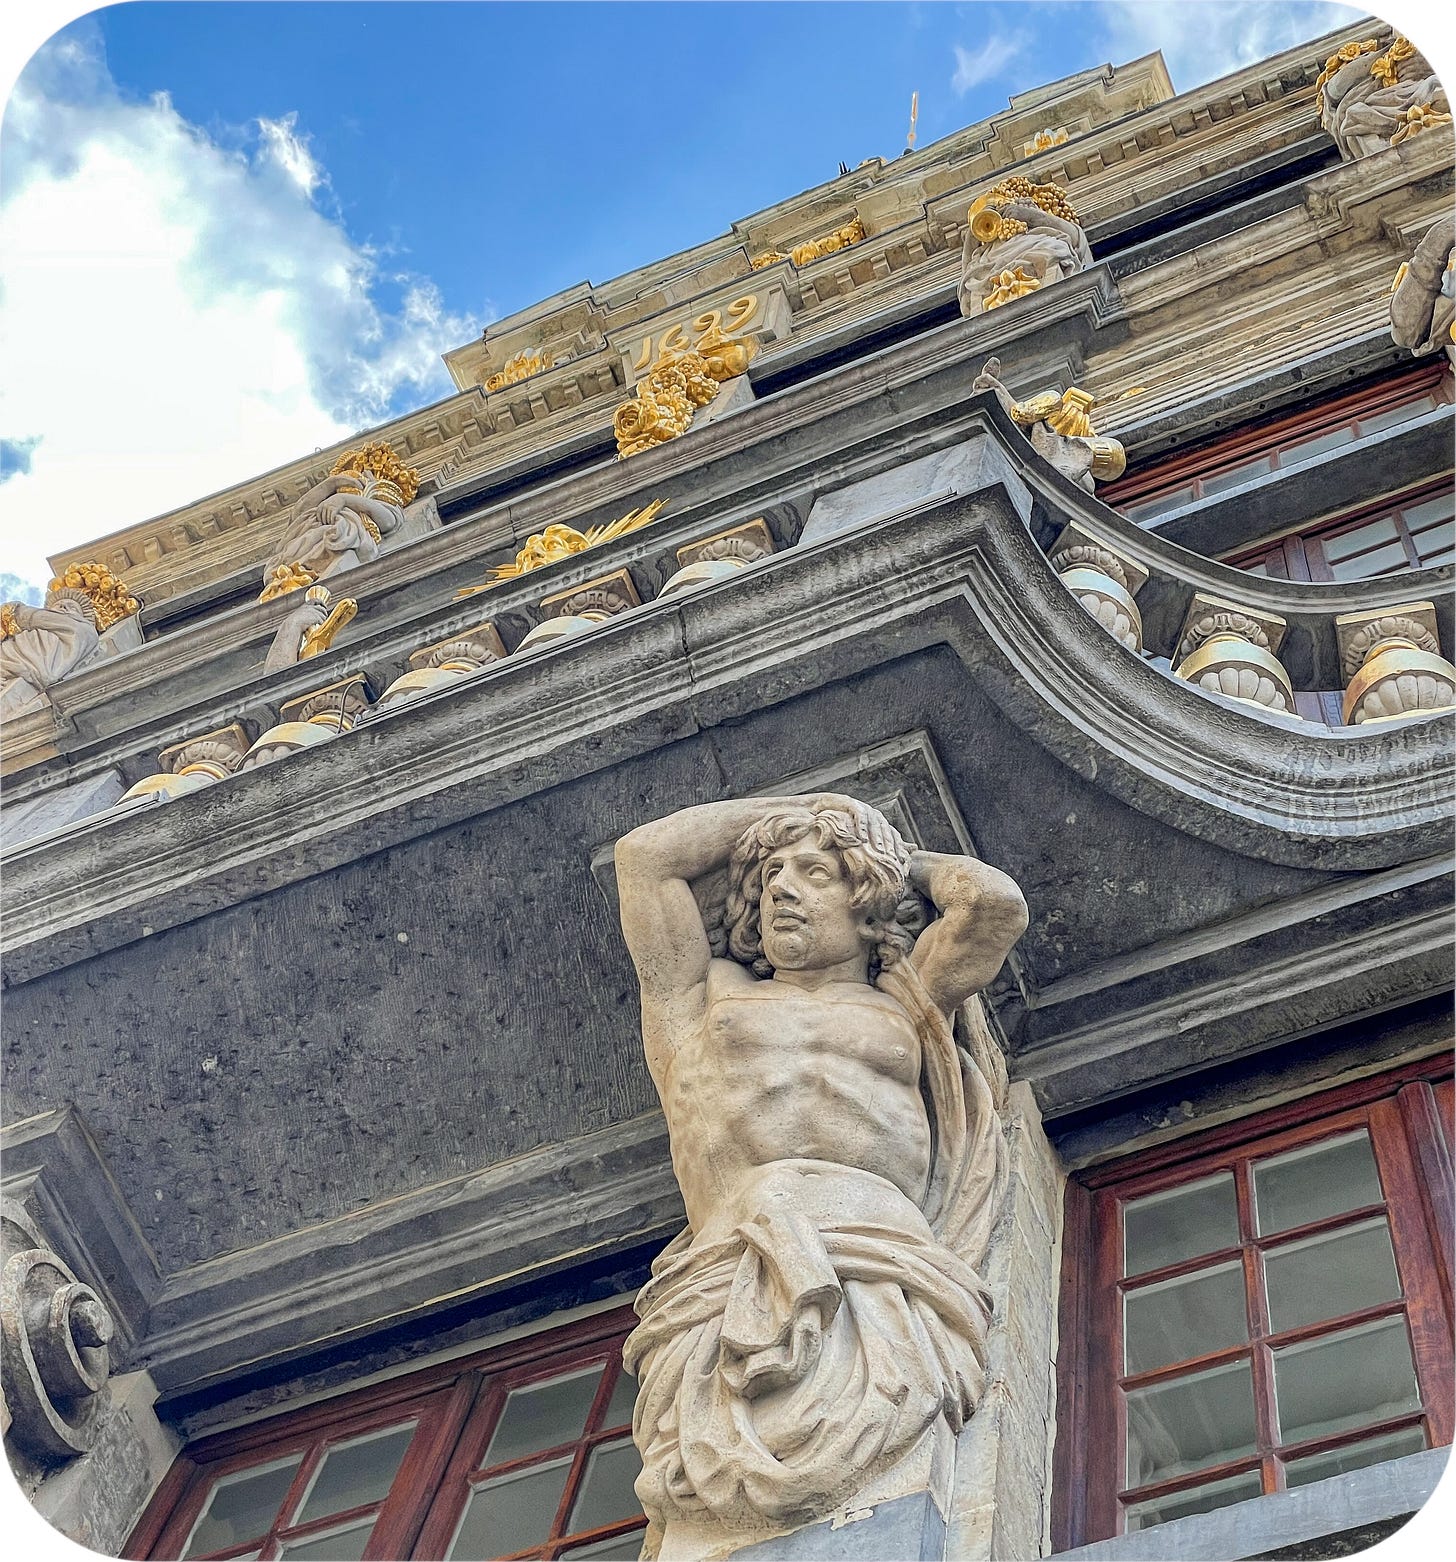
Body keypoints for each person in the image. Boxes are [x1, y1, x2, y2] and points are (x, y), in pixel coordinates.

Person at [614, 793, 1027, 1554]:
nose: (781, 887)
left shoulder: (905, 999)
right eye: (771, 874)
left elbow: (993, 905)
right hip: (733, 1256)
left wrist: (881, 846)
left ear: (869, 903)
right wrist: (805, 809)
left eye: (813, 873)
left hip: (881, 1261)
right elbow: (645, 859)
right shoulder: (700, 1002)